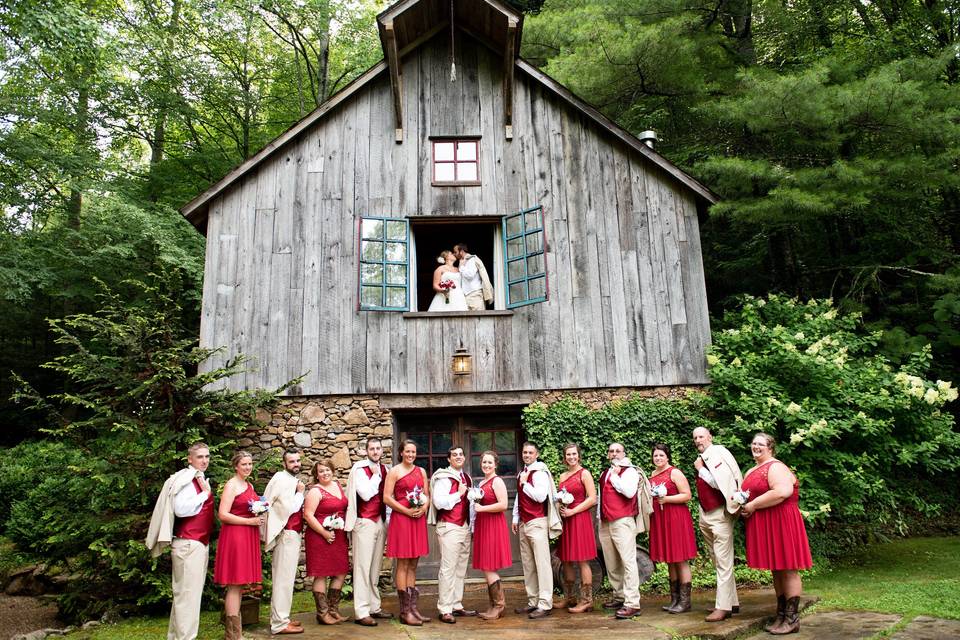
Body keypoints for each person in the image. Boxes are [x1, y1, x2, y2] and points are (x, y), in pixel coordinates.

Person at [740, 433, 813, 635]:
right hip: (766, 523)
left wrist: (753, 504)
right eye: (753, 443)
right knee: (776, 569)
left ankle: (792, 619)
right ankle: (781, 615)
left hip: (782, 521)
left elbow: (782, 491)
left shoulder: (776, 467)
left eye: (760, 444)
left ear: (770, 447)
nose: (756, 446)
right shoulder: (752, 469)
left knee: (788, 568)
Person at [146, 442, 214, 640]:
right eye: (200, 457)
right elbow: (181, 509)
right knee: (187, 598)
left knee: (186, 598)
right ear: (190, 459)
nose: (205, 460)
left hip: (197, 543)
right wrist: (204, 494)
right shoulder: (187, 479)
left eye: (207, 456)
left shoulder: (198, 479)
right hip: (188, 544)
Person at [596, 442, 653, 619]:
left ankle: (632, 603)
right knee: (612, 562)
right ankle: (619, 596)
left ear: (624, 453)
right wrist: (600, 517)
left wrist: (614, 476)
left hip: (623, 520)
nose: (614, 454)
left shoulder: (630, 471)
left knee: (628, 562)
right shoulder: (606, 472)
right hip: (606, 521)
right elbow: (602, 497)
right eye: (611, 451)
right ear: (607, 454)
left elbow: (629, 493)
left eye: (617, 451)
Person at [693, 426, 744, 622]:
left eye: (702, 436)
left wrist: (700, 470)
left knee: (722, 560)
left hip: (720, 514)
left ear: (710, 437)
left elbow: (720, 483)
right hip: (706, 514)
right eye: (696, 437)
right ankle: (731, 602)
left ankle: (722, 607)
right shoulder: (704, 457)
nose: (698, 440)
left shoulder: (718, 453)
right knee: (717, 559)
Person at [213, 451, 264, 640]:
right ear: (236, 466)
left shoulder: (249, 485)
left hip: (248, 535)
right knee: (235, 584)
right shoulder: (232, 485)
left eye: (250, 464)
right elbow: (223, 514)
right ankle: (233, 635)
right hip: (236, 536)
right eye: (244, 464)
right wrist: (249, 522)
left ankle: (236, 633)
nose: (248, 467)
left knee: (241, 585)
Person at [344, 438, 393, 626]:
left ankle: (374, 606)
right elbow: (365, 494)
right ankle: (361, 611)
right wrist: (375, 476)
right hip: (364, 522)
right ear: (366, 451)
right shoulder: (359, 469)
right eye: (371, 449)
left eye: (378, 448)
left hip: (380, 521)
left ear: (382, 450)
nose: (375, 451)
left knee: (375, 567)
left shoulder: (386, 470)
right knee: (362, 567)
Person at [511, 441, 562, 619]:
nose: (527, 455)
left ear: (537, 454)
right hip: (525, 522)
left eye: (530, 452)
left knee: (542, 563)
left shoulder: (539, 472)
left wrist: (525, 484)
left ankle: (545, 603)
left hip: (538, 521)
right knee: (528, 564)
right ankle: (533, 601)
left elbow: (540, 497)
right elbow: (519, 496)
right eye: (525, 452)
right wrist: (515, 517)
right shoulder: (523, 473)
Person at [427, 446, 478, 623]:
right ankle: (444, 608)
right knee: (448, 568)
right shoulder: (444, 478)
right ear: (449, 459)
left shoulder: (467, 477)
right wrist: (459, 493)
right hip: (449, 526)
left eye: (461, 454)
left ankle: (456, 604)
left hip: (464, 526)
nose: (458, 457)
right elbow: (439, 503)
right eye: (454, 455)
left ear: (464, 458)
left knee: (461, 568)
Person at [384, 440, 431, 626]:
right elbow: (386, 497)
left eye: (413, 452)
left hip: (417, 518)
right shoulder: (394, 471)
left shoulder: (422, 471)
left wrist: (424, 507)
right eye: (408, 451)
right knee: (403, 563)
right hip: (402, 519)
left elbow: (426, 495)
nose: (411, 455)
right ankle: (404, 612)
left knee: (413, 563)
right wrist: (406, 511)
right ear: (401, 452)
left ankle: (413, 608)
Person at [648, 443, 698, 614]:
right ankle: (674, 598)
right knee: (670, 559)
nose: (658, 458)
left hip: (676, 518)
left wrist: (667, 499)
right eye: (655, 456)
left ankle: (685, 601)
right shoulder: (653, 475)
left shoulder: (674, 472)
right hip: (661, 519)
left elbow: (687, 495)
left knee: (680, 558)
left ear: (667, 457)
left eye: (661, 455)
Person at [262, 449, 306, 635]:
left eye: (297, 461)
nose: (296, 464)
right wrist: (301, 493)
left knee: (287, 579)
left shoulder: (291, 480)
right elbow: (288, 507)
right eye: (291, 461)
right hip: (285, 533)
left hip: (293, 534)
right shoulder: (280, 479)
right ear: (284, 463)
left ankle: (282, 617)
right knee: (282, 579)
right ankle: (279, 624)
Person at [304, 459, 349, 626]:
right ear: (316, 474)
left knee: (341, 571)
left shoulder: (337, 485)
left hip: (338, 536)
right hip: (319, 536)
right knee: (321, 573)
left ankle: (333, 610)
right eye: (321, 471)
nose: (325, 473)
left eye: (327, 470)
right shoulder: (315, 491)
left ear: (332, 470)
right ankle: (322, 613)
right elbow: (308, 515)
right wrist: (324, 533)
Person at [555, 443, 597, 614]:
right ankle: (569, 597)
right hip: (566, 521)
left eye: (574, 454)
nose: (571, 457)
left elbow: (592, 498)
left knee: (582, 559)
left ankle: (586, 600)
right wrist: (560, 506)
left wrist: (573, 510)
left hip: (579, 519)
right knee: (565, 559)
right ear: (564, 457)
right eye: (568, 454)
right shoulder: (562, 476)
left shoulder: (584, 473)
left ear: (578, 455)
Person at [471, 451, 512, 620]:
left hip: (493, 525)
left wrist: (482, 509)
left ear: (496, 465)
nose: (486, 465)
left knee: (489, 566)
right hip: (483, 525)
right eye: (484, 462)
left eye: (490, 462)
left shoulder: (497, 481)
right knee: (486, 566)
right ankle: (493, 604)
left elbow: (503, 505)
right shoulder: (482, 482)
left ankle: (499, 605)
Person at [453, 243, 494, 311]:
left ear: (461, 251)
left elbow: (470, 275)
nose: (454, 254)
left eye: (455, 252)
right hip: (465, 296)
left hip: (475, 294)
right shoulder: (462, 262)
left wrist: (461, 267)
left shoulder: (471, 260)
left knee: (478, 318)